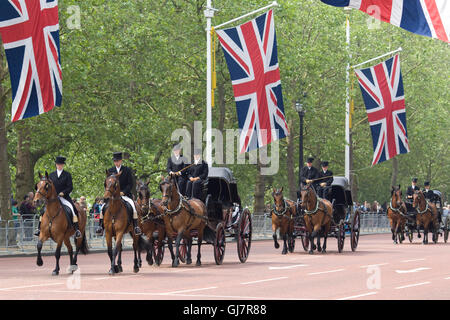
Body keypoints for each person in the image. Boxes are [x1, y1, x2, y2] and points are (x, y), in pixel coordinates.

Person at [35, 156, 82, 238]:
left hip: (64, 197)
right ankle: (39, 229)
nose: (59, 166)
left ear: (63, 165)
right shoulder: (51, 175)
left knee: (73, 209)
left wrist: (63, 193)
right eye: (58, 164)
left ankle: (76, 229)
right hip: (52, 198)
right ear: (56, 165)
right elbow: (47, 187)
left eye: (61, 164)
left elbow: (70, 187)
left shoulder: (67, 175)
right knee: (42, 211)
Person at [97, 152, 141, 235]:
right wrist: (108, 192)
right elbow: (106, 183)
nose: (116, 163)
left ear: (121, 161)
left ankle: (136, 226)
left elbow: (130, 184)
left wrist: (123, 192)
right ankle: (100, 226)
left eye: (118, 161)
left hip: (125, 195)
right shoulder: (110, 171)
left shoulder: (127, 170)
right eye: (115, 161)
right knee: (102, 207)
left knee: (133, 207)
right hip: (112, 196)